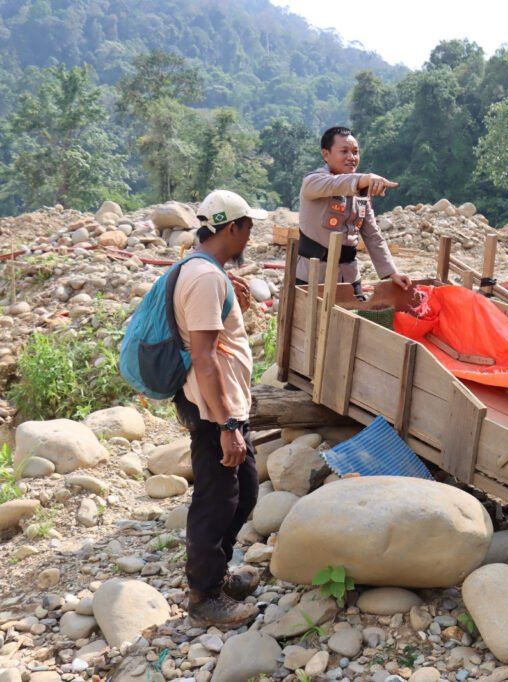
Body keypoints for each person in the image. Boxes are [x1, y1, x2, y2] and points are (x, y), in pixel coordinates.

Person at [174, 189, 266, 627]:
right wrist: (227, 423)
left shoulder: (210, 273)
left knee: (244, 492)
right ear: (233, 228)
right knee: (216, 499)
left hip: (225, 405)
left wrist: (233, 303)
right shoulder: (206, 277)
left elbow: (214, 338)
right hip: (215, 409)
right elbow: (204, 355)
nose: (251, 236)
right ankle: (204, 595)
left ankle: (217, 573)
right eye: (249, 227)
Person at [297, 126, 411, 297]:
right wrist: (367, 178)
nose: (351, 157)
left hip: (349, 278)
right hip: (313, 277)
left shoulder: (361, 192)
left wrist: (392, 272)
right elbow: (337, 184)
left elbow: (373, 235)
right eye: (344, 151)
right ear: (326, 154)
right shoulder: (313, 182)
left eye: (355, 152)